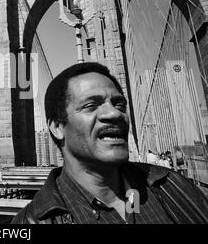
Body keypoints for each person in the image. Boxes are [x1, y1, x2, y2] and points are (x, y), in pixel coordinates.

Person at [12, 62, 208, 224]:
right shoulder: (31, 222)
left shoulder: (173, 186)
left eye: (119, 104)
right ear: (57, 127)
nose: (114, 113)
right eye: (91, 105)